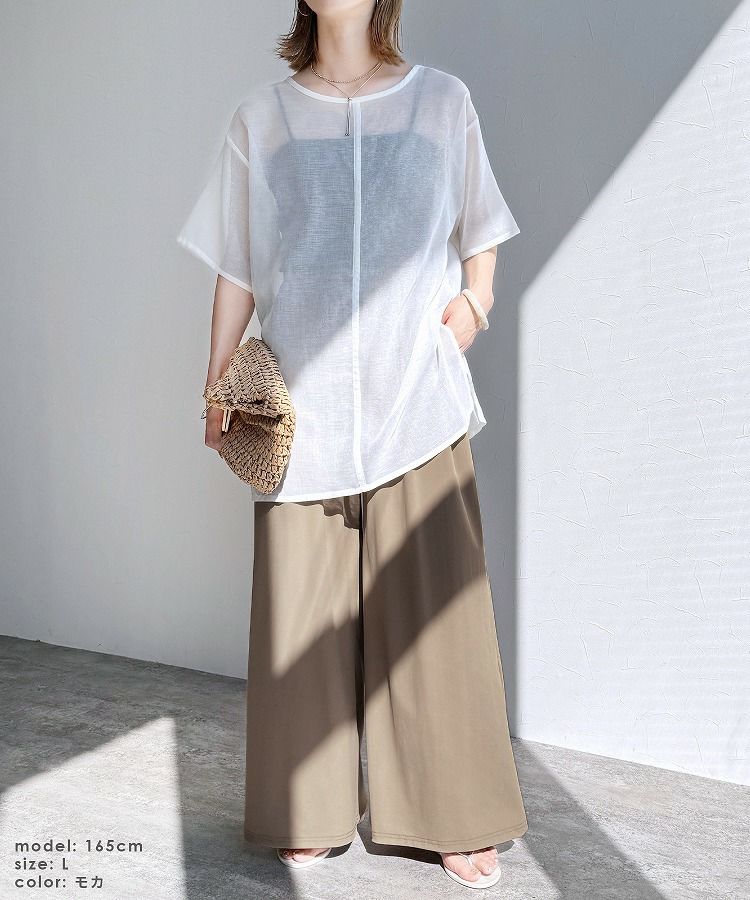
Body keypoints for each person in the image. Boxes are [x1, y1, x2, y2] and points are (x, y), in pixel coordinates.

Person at [176, 0, 528, 889]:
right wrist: (216, 385)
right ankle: (309, 804)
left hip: (418, 407)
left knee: (438, 624)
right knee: (299, 623)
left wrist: (474, 306)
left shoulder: (442, 101)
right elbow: (237, 266)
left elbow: (482, 226)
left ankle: (454, 809)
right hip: (305, 413)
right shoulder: (262, 118)